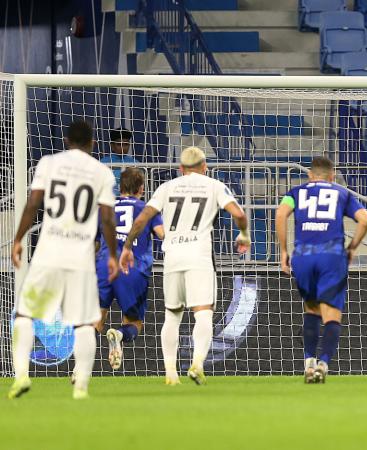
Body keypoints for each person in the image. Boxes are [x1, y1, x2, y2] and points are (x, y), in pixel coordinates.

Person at [120, 147, 250, 386]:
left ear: (180, 169)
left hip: (172, 257)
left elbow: (141, 219)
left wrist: (127, 247)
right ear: (204, 166)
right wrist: (243, 234)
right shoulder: (213, 185)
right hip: (198, 256)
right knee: (203, 313)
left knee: (172, 315)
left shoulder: (166, 187)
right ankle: (197, 364)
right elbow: (239, 214)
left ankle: (170, 373)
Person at [8, 120, 119, 400]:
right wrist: (113, 255)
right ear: (92, 143)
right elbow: (107, 218)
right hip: (80, 258)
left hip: (47, 254)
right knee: (83, 323)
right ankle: (80, 386)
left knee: (25, 315)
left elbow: (33, 203)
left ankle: (21, 375)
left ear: (67, 141)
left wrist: (19, 239)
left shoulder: (48, 163)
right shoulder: (102, 172)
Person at [275, 156, 367, 384]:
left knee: (311, 310)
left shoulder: (296, 192)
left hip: (304, 257)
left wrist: (283, 251)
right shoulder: (341, 193)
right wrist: (352, 247)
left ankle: (308, 363)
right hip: (331, 257)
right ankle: (323, 364)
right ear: (332, 175)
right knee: (331, 315)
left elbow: (280, 214)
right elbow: (365, 219)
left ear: (310, 175)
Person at [96, 167, 165, 371]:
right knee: (134, 323)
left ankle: (80, 367)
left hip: (104, 266)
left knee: (97, 320)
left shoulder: (105, 208)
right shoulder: (147, 209)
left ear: (121, 186)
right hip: (133, 267)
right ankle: (119, 335)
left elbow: (94, 241)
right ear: (141, 188)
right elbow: (162, 234)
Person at [100, 128, 137, 194]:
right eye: (119, 144)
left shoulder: (136, 163)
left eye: (126, 144)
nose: (123, 147)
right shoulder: (103, 163)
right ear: (112, 145)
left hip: (129, 199)